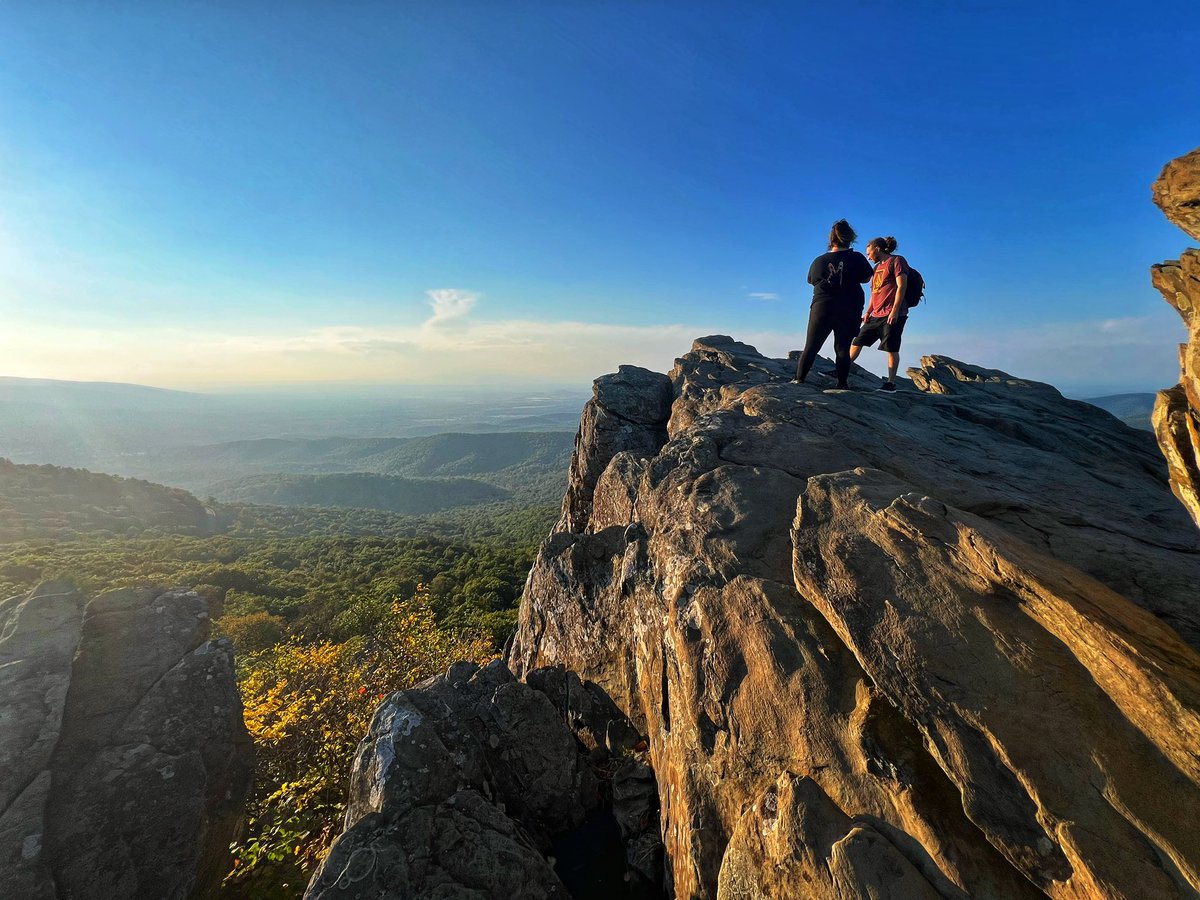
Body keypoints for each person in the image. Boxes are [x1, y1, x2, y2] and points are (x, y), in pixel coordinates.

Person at [794, 219, 873, 389]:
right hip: (849, 307)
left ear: (831, 239)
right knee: (843, 348)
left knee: (811, 346)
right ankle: (842, 384)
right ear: (850, 239)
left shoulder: (819, 261)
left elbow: (811, 280)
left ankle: (799, 379)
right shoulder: (857, 258)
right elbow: (866, 278)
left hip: (822, 307)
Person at [850, 236, 909, 392]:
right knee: (857, 341)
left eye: (869, 253)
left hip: (893, 314)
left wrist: (895, 310)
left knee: (891, 348)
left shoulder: (897, 261)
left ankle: (890, 383)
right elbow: (874, 293)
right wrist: (868, 311)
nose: (868, 257)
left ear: (877, 248)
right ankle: (842, 369)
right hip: (876, 314)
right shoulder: (876, 268)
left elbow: (901, 286)